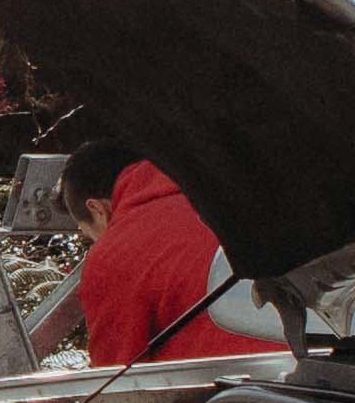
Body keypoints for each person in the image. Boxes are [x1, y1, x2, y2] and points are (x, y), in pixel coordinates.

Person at [57, 149, 279, 367]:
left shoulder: (113, 253)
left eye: (92, 235)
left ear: (97, 209)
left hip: (232, 391)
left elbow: (117, 375)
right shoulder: (238, 196)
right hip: (302, 372)